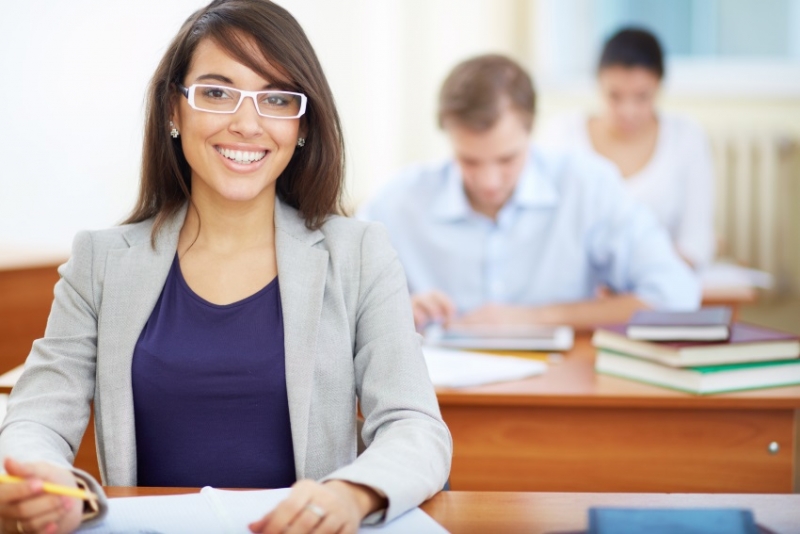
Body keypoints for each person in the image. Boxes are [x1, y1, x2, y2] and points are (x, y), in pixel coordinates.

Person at [0, 1, 451, 533]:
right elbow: (36, 417)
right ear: (174, 109)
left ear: (302, 125)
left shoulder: (358, 253)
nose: (246, 123)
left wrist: (351, 496)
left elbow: (414, 424)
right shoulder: (101, 262)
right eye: (217, 92)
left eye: (276, 99)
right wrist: (43, 482)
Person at [360, 54, 700, 330]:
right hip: (437, 401)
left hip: (558, 393)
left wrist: (533, 318)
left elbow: (676, 295)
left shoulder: (587, 186)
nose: (490, 181)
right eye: (470, 161)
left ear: (531, 129)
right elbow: (337, 301)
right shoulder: (397, 202)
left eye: (507, 158)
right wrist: (393, 311)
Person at [540, 28, 716, 268]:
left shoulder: (686, 138)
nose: (628, 111)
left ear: (659, 86)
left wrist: (652, 274)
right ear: (598, 83)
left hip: (657, 287)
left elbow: (697, 241)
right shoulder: (562, 134)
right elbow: (542, 227)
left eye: (642, 97)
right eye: (614, 96)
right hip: (579, 290)